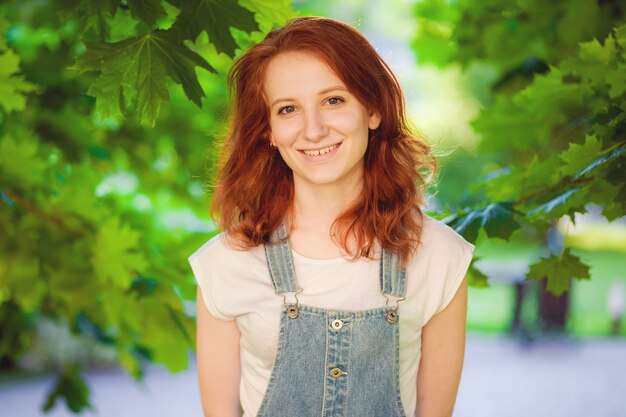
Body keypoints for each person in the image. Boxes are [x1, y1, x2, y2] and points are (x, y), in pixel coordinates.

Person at [189, 16, 474, 417]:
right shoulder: (226, 263)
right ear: (267, 131)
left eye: (333, 100)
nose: (314, 129)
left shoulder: (440, 257)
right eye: (288, 109)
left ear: (372, 109)